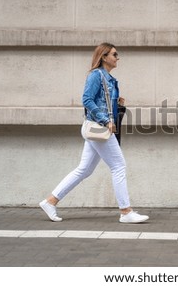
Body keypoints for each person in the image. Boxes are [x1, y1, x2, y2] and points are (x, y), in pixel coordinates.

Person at [39, 43, 148, 224]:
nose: (117, 57)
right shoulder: (96, 75)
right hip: (98, 127)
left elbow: (103, 103)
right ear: (104, 57)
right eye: (114, 54)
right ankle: (126, 211)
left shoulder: (109, 79)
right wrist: (106, 120)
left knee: (84, 170)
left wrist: (117, 105)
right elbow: (87, 100)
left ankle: (50, 201)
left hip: (98, 129)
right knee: (119, 166)